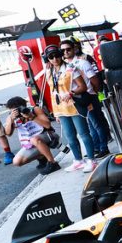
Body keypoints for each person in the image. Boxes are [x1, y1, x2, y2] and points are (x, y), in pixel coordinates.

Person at [43, 43, 95, 172]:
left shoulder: (71, 69)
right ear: (47, 59)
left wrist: (71, 93)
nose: (55, 59)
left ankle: (91, 160)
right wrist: (55, 113)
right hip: (61, 109)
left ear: (61, 55)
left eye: (57, 56)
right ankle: (78, 161)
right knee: (70, 137)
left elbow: (83, 87)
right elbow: (52, 93)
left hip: (74, 106)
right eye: (51, 57)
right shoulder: (49, 72)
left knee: (84, 134)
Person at [61, 38, 111, 159]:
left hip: (89, 96)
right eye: (63, 50)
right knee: (90, 125)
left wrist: (94, 94)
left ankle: (104, 148)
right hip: (77, 99)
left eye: (68, 49)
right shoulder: (64, 66)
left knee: (97, 123)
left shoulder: (83, 62)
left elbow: (94, 80)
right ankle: (96, 147)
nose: (66, 52)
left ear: (74, 49)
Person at [3, 96, 61, 174]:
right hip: (31, 143)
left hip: (48, 136)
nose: (13, 112)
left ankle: (53, 163)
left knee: (34, 139)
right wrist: (11, 120)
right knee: (17, 162)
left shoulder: (34, 110)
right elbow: (8, 133)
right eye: (11, 110)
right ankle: (42, 156)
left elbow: (47, 125)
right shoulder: (11, 117)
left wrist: (32, 117)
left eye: (15, 110)